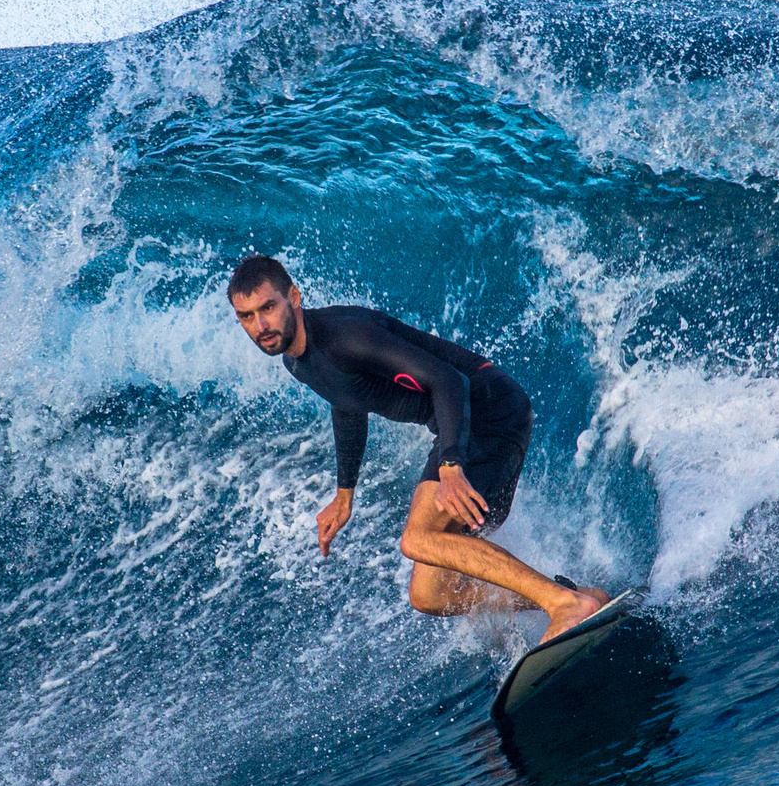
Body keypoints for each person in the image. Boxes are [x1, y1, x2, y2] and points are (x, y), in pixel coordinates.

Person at [227, 254, 612, 641]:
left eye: (268, 308)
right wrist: (345, 495)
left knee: (416, 539)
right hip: (467, 426)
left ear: (293, 296)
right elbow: (346, 400)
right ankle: (574, 596)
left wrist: (451, 465)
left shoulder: (346, 337)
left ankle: (563, 605)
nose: (261, 326)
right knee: (429, 594)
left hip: (489, 412)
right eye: (247, 316)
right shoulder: (295, 357)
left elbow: (449, 380)